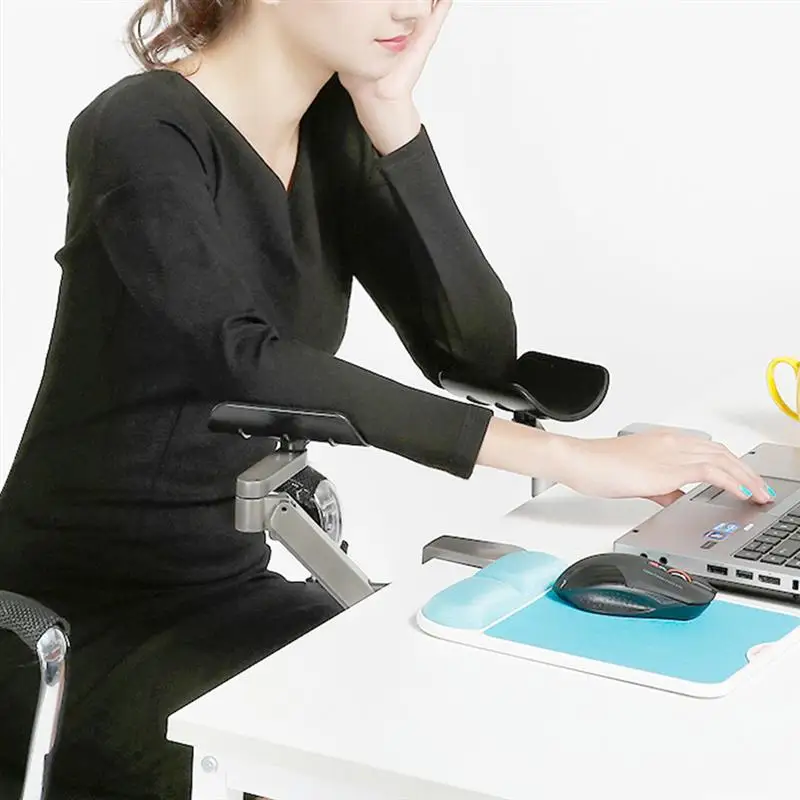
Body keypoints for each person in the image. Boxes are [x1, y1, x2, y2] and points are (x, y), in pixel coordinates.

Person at [0, 1, 774, 798]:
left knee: (484, 717)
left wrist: (391, 116)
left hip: (229, 591)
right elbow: (244, 360)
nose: (410, 7)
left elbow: (474, 351)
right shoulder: (141, 128)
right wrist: (567, 457)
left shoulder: (330, 134)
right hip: (75, 625)